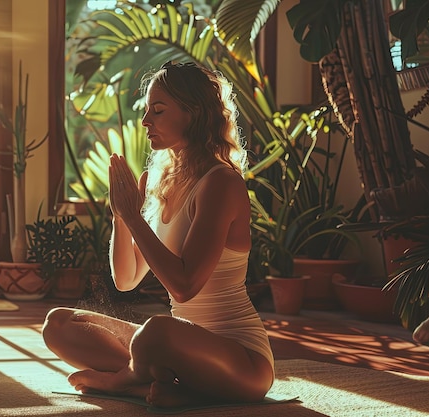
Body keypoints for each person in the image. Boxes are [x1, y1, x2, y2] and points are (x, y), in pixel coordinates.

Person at [41, 61, 274, 408]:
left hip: (241, 360)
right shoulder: (161, 181)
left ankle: (122, 383)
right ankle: (158, 388)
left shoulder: (220, 182)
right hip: (176, 351)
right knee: (58, 324)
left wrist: (136, 219)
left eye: (158, 110)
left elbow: (184, 285)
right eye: (147, 110)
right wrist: (122, 216)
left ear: (194, 114)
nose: (146, 121)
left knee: (156, 331)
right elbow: (125, 279)